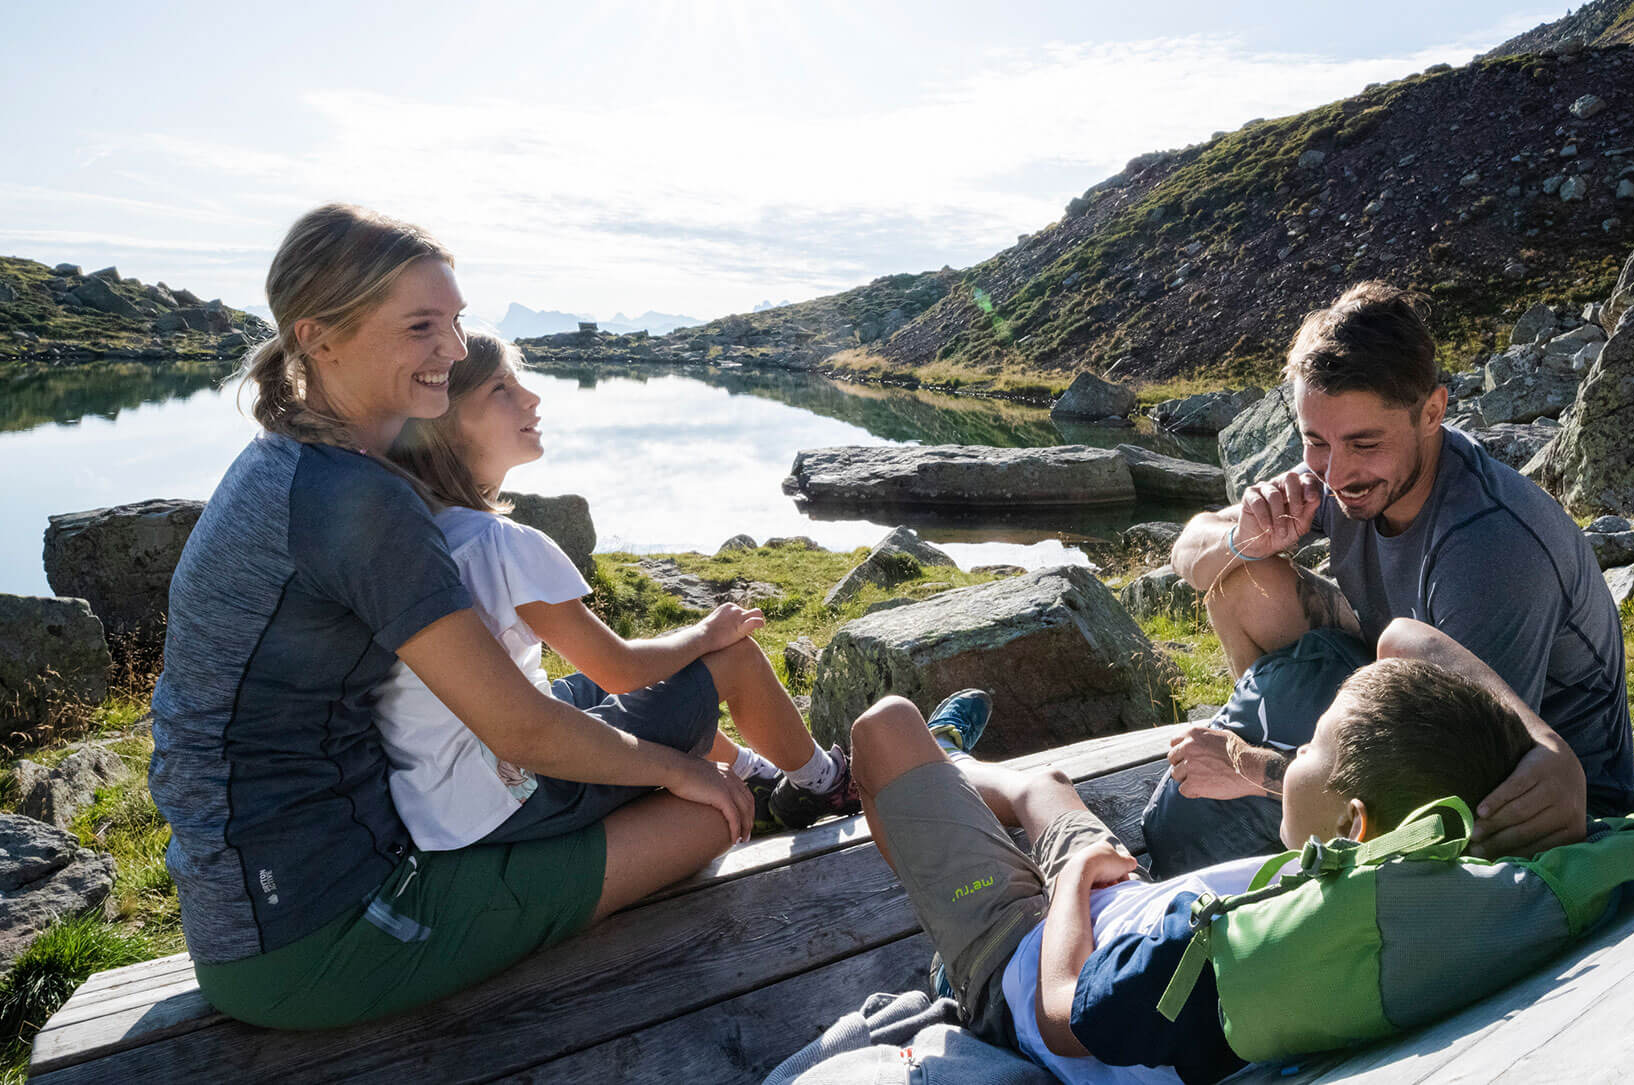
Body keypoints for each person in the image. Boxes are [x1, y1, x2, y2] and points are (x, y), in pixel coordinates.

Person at [150, 203, 756, 1030]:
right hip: (317, 934)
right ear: (320, 337)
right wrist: (676, 766)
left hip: (251, 902)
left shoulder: (284, 461)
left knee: (666, 785)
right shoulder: (354, 499)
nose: (455, 349)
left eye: (458, 322)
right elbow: (523, 730)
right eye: (422, 326)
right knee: (706, 812)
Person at [1143, 281, 1634, 877]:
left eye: (1363, 443)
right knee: (1240, 578)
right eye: (1315, 441)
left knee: (1221, 817)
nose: (1338, 472)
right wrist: (1241, 535)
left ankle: (1296, 802)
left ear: (1433, 412)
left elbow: (1451, 782)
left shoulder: (1487, 551)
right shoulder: (1343, 471)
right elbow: (1187, 554)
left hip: (1524, 812)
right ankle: (1296, 765)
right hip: (1414, 697)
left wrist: (1253, 768)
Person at [848, 661, 1531, 1084]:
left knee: (882, 729)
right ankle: (950, 764)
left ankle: (950, 936)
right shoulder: (1372, 890)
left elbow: (1066, 1010)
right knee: (1045, 784)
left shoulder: (1242, 967)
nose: (1291, 756)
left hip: (1016, 961)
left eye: (1312, 745)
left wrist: (1074, 883)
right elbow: (1409, 639)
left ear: (1356, 823)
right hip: (1123, 903)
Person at [379, 328, 856, 848]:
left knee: (635, 676)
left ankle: (752, 771)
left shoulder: (423, 530)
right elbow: (622, 669)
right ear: (444, 426)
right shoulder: (502, 544)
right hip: (506, 795)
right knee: (732, 658)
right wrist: (706, 632)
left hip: (437, 793)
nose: (532, 398)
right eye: (501, 389)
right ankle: (822, 785)